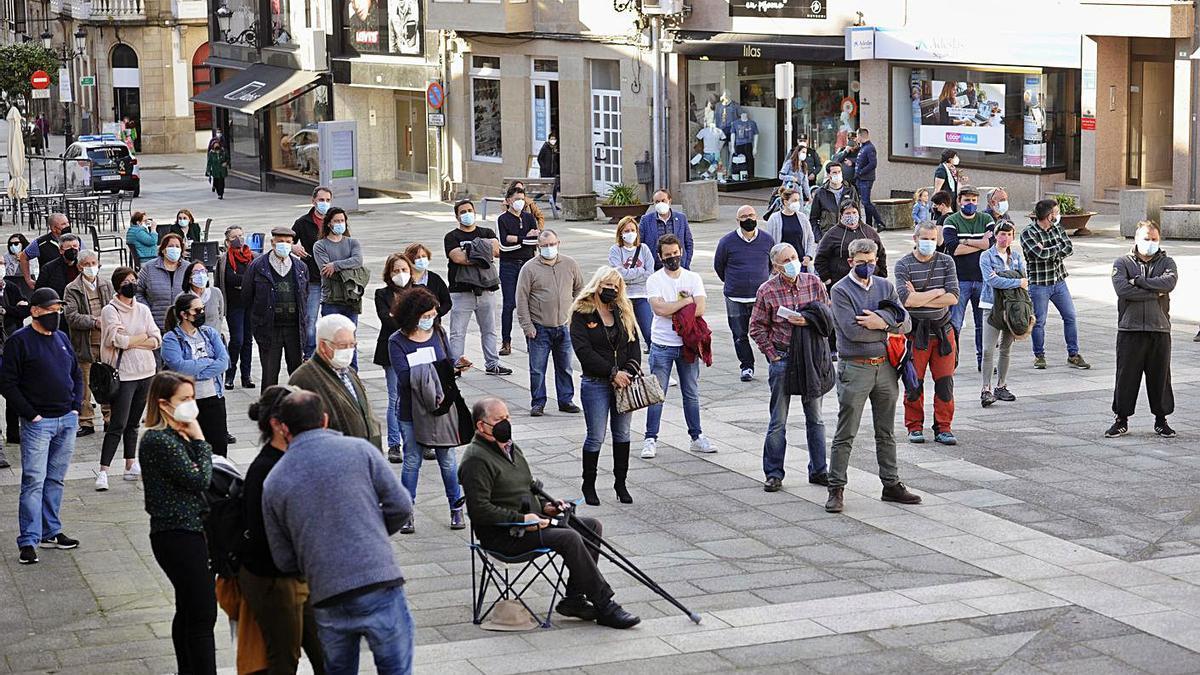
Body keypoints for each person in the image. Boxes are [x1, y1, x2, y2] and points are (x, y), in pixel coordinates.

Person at [262, 391, 416, 675]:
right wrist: (371, 534)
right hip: (378, 579)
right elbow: (401, 505)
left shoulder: (274, 481)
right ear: (324, 419)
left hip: (326, 592)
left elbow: (283, 559)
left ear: (283, 428)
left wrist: (317, 555)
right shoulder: (360, 450)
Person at [458, 397, 640, 629]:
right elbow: (479, 510)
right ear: (481, 426)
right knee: (569, 538)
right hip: (506, 535)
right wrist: (522, 519)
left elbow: (528, 486)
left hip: (532, 523)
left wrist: (546, 505)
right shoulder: (476, 459)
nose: (506, 424)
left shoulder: (511, 447)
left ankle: (574, 599)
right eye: (498, 420)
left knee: (591, 526)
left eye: (507, 418)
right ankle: (605, 605)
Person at [825, 239, 921, 514]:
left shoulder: (885, 286)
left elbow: (907, 322)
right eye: (861, 262)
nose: (868, 266)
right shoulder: (840, 290)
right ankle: (836, 487)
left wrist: (881, 321)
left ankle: (890, 484)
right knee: (847, 431)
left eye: (871, 261)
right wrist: (889, 325)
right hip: (855, 366)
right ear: (850, 262)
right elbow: (852, 331)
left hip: (886, 368)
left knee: (886, 431)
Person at [241, 386, 327, 674]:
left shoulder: (293, 458)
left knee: (328, 654)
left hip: (301, 574)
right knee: (283, 659)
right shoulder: (265, 470)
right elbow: (266, 534)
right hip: (275, 579)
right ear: (278, 425)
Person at [139, 371, 217, 674]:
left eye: (192, 398)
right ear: (163, 404)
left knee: (187, 609)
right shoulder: (159, 440)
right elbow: (199, 478)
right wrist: (200, 440)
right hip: (177, 534)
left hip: (186, 531)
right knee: (201, 614)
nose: (191, 405)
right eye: (184, 399)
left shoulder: (173, 436)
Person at [0, 288, 84, 564]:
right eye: (50, 310)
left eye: (58, 310)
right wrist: (30, 414)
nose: (55, 315)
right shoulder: (19, 342)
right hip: (38, 423)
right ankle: (28, 540)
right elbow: (7, 382)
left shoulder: (61, 337)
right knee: (33, 480)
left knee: (55, 479)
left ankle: (51, 530)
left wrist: (75, 405)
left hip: (66, 420)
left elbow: (75, 373)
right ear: (35, 311)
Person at [749, 243, 832, 492]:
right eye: (786, 260)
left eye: (794, 257)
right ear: (776, 266)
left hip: (810, 357)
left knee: (815, 418)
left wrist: (808, 320)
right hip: (783, 358)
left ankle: (819, 470)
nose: (792, 263)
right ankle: (774, 473)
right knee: (778, 419)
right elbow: (756, 327)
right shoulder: (767, 290)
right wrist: (772, 355)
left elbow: (828, 315)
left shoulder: (813, 283)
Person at [387, 288, 466, 533]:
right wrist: (437, 370)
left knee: (448, 460)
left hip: (441, 407)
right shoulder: (397, 341)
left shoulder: (438, 332)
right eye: (427, 315)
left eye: (433, 314)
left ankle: (456, 506)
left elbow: (449, 364)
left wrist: (457, 367)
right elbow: (404, 377)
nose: (431, 319)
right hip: (412, 409)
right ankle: (406, 510)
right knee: (412, 460)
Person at [570, 267, 641, 505]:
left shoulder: (623, 311)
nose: (610, 290)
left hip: (624, 382)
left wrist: (627, 372)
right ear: (597, 285)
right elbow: (583, 352)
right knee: (596, 436)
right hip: (596, 382)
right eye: (606, 285)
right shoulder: (582, 313)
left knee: (622, 434)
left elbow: (634, 345)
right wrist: (612, 373)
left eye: (615, 286)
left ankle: (621, 484)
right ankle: (588, 484)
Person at [641, 233, 714, 458]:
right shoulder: (654, 280)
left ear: (681, 252)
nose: (673, 258)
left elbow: (700, 308)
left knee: (691, 392)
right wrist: (685, 302)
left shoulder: (693, 278)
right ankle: (650, 438)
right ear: (660, 256)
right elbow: (659, 310)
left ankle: (696, 436)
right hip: (662, 344)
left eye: (676, 253)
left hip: (687, 345)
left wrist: (677, 305)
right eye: (668, 255)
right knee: (657, 393)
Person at [1108, 221, 1178, 439]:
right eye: (1146, 238)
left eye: (1154, 239)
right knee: (1126, 376)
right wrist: (1152, 292)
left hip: (1159, 329)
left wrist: (1138, 281)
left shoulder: (1167, 262)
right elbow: (1123, 290)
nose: (1150, 243)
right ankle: (1121, 419)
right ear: (1136, 239)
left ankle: (1161, 419)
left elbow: (1169, 283)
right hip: (1130, 328)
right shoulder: (1122, 262)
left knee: (1160, 376)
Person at [895, 222, 960, 445]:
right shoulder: (903, 264)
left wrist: (922, 296)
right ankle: (914, 426)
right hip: (916, 333)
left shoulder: (946, 262)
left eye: (933, 239)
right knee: (914, 382)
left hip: (943, 331)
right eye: (925, 238)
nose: (929, 243)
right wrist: (937, 291)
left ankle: (944, 427)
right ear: (915, 238)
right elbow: (907, 300)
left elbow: (953, 297)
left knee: (945, 383)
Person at [97, 267, 160, 491]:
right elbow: (118, 340)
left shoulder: (143, 309)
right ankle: (103, 470)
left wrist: (135, 339)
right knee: (118, 423)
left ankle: (130, 464)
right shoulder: (110, 310)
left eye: (134, 280)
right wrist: (142, 338)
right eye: (127, 281)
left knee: (134, 423)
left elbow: (156, 339)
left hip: (146, 371)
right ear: (118, 285)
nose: (131, 284)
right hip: (123, 374)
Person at [516, 229, 583, 416]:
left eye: (552, 244)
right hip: (539, 328)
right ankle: (538, 402)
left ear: (558, 243)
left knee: (565, 367)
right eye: (545, 246)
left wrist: (574, 314)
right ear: (538, 246)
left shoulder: (570, 264)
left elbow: (580, 289)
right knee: (537, 369)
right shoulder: (529, 268)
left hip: (564, 326)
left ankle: (566, 400)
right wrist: (527, 326)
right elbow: (521, 299)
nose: (549, 248)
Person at [289, 313, 381, 448]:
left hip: (362, 455)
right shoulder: (303, 378)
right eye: (342, 345)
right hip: (337, 457)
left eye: (352, 345)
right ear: (322, 346)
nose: (349, 350)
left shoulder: (349, 372)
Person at [1021, 198, 1091, 371]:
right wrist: (1054, 248)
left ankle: (1073, 355)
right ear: (1048, 215)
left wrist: (1047, 248)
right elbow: (1038, 255)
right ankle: (1039, 356)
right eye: (1056, 212)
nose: (1058, 215)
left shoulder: (1058, 228)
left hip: (1059, 281)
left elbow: (1068, 247)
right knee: (1039, 321)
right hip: (1039, 284)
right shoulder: (1028, 233)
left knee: (1070, 316)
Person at [444, 199, 510, 375]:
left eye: (469, 210)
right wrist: (482, 253)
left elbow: (496, 251)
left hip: (486, 289)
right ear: (457, 216)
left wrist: (471, 252)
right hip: (461, 291)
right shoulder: (452, 237)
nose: (467, 214)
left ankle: (492, 364)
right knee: (457, 332)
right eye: (463, 211)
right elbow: (457, 258)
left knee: (489, 330)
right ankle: (456, 365)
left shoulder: (486, 232)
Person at [162, 293, 230, 457]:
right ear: (184, 314)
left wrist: (196, 372)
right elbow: (180, 367)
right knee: (190, 450)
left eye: (203, 309)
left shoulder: (209, 333)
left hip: (213, 397)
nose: (202, 313)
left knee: (219, 448)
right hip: (187, 402)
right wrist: (208, 361)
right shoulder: (171, 338)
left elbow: (223, 362)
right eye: (197, 310)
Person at [243, 227, 310, 390]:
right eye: (280, 241)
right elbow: (247, 296)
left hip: (294, 328)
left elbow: (304, 296)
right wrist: (257, 322)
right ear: (272, 242)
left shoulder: (300, 267)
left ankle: (297, 409)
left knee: (297, 373)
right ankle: (268, 410)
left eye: (288, 242)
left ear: (293, 243)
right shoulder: (258, 266)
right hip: (269, 328)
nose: (284, 245)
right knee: (269, 373)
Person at [715, 205, 775, 382]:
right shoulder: (726, 242)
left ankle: (773, 363)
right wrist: (734, 281)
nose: (748, 219)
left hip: (760, 298)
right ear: (737, 220)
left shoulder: (767, 240)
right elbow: (719, 266)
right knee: (740, 334)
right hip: (735, 296)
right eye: (744, 216)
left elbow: (770, 265)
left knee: (766, 332)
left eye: (751, 215)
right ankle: (747, 366)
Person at [941, 186, 995, 371]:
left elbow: (991, 244)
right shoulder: (951, 220)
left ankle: (984, 362)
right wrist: (980, 243)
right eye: (967, 200)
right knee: (954, 324)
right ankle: (951, 362)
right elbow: (953, 248)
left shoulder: (986, 219)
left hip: (982, 279)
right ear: (959, 201)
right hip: (959, 280)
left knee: (983, 324)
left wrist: (965, 241)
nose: (970, 204)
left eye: (973, 200)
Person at [63, 249, 113, 439]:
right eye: (87, 264)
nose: (92, 268)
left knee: (108, 382)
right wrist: (95, 321)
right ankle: (86, 421)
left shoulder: (106, 284)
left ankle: (109, 418)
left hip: (106, 343)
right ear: (80, 267)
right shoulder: (72, 289)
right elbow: (71, 316)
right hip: (85, 343)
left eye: (94, 263)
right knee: (85, 385)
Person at [980, 221, 1026, 407]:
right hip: (991, 305)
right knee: (988, 349)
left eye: (1008, 234)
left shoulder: (1016, 256)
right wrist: (1015, 282)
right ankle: (986, 388)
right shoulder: (986, 256)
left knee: (1006, 348)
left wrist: (1015, 280)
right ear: (995, 235)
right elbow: (992, 281)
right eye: (1001, 234)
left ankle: (1001, 385)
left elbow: (1024, 278)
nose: (1005, 238)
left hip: (1012, 307)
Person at [376, 252, 413, 461]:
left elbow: (428, 315)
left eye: (404, 269)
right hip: (391, 350)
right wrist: (410, 320)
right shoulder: (382, 294)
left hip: (416, 350)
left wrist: (398, 316)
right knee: (395, 398)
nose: (401, 274)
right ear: (389, 273)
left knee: (418, 396)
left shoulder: (418, 291)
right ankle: (394, 444)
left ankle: (421, 441)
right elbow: (386, 320)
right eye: (396, 270)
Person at [496, 185, 541, 356]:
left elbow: (535, 240)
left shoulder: (529, 217)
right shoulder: (502, 219)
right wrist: (525, 238)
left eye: (522, 199)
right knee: (509, 304)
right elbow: (504, 245)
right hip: (509, 266)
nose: (519, 203)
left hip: (528, 263)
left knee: (530, 304)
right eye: (516, 199)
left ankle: (531, 340)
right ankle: (506, 342)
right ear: (508, 201)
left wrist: (518, 239)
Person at [292, 186, 333, 359]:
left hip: (333, 280)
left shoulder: (335, 220)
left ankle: (328, 354)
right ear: (313, 201)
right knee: (310, 320)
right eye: (321, 200)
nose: (324, 203)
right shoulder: (303, 222)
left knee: (331, 320)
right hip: (312, 278)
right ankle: (308, 354)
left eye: (327, 200)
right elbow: (287, 241)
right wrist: (293, 247)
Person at [216, 225, 256, 390]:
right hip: (234, 305)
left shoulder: (252, 257)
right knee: (237, 340)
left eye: (241, 235)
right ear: (227, 241)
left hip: (250, 304)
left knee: (248, 340)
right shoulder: (224, 260)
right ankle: (230, 374)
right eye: (234, 237)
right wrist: (245, 280)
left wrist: (242, 281)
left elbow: (254, 278)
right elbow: (229, 280)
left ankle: (246, 376)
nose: (239, 239)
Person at [607, 217, 654, 349]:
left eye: (633, 230)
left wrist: (629, 276)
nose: (630, 233)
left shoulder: (644, 249)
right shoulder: (615, 250)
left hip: (642, 295)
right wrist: (640, 271)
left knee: (649, 331)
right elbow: (618, 274)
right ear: (621, 233)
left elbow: (650, 273)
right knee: (627, 334)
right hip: (623, 297)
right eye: (626, 230)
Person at [137, 232, 188, 330]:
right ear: (163, 249)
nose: (174, 249)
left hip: (183, 325)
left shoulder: (188, 268)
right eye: (171, 246)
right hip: (155, 324)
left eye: (177, 246)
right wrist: (146, 310)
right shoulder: (149, 267)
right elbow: (138, 292)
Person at [638, 189, 694, 270]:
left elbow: (688, 242)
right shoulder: (646, 220)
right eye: (657, 202)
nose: (660, 203)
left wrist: (686, 263)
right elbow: (640, 244)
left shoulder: (681, 218)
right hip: (655, 268)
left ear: (669, 201)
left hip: (679, 266)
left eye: (663, 200)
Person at [763, 189, 817, 273]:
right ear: (785, 202)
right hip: (784, 265)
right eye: (794, 200)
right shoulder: (774, 219)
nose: (797, 203)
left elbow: (810, 237)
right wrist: (773, 264)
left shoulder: (802, 217)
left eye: (798, 200)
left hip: (801, 263)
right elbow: (769, 242)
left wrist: (808, 256)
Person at [19, 213, 71, 291]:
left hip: (70, 284)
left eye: (67, 223)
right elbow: (23, 257)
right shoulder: (41, 243)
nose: (67, 226)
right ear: (54, 228)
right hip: (49, 287)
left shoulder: (75, 240)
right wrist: (28, 279)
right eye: (63, 224)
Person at [808, 162, 860, 236]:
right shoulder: (820, 193)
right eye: (834, 172)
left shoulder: (850, 190)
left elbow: (858, 214)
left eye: (839, 172)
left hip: (848, 233)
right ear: (829, 175)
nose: (837, 174)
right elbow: (813, 218)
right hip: (828, 235)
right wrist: (819, 238)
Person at [403, 242, 452, 315]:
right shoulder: (403, 279)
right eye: (417, 257)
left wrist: (437, 313)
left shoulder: (435, 278)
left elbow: (447, 302)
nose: (421, 260)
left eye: (423, 256)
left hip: (432, 321)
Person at [181, 260, 226, 336]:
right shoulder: (182, 297)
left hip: (213, 340)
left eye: (203, 271)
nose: (200, 275)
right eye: (196, 272)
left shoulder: (216, 292)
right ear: (189, 278)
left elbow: (220, 316)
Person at [33, 233, 81, 298]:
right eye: (68, 247)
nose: (72, 249)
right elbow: (40, 291)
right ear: (61, 250)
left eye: (75, 246)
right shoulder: (48, 268)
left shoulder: (83, 266)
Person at [853, 128, 880, 227]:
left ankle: (879, 221)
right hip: (861, 179)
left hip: (866, 179)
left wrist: (861, 172)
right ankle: (869, 224)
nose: (856, 138)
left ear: (860, 136)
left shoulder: (869, 148)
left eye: (857, 136)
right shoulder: (863, 147)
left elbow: (873, 163)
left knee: (866, 202)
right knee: (865, 202)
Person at [537, 132, 561, 210]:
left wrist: (555, 167)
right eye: (552, 139)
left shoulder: (553, 149)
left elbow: (554, 160)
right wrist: (543, 167)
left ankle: (553, 204)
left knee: (554, 188)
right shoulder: (545, 147)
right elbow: (539, 158)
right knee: (544, 189)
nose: (553, 140)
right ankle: (533, 199)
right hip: (545, 172)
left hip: (552, 172)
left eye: (554, 139)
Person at [206, 135, 229, 199]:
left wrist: (226, 163)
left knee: (222, 182)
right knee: (216, 182)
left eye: (217, 145)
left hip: (222, 170)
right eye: (215, 145)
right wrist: (208, 170)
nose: (216, 147)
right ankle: (218, 191)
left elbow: (228, 159)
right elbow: (209, 162)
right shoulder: (211, 153)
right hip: (215, 170)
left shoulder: (223, 152)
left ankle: (221, 194)